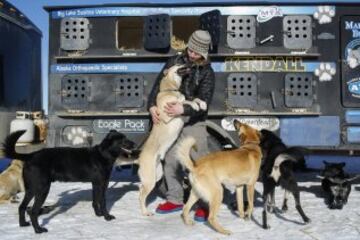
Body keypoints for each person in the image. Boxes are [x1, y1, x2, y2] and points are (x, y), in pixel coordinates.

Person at [147, 30, 215, 222]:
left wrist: (182, 109)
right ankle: (175, 198)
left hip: (193, 121)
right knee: (170, 160)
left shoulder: (207, 72)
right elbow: (157, 86)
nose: (192, 54)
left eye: (197, 52)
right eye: (191, 49)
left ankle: (205, 203)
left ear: (205, 53)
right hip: (171, 121)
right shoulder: (173, 61)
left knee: (199, 162)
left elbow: (204, 103)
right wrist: (152, 106)